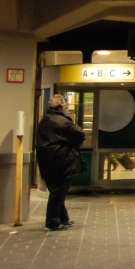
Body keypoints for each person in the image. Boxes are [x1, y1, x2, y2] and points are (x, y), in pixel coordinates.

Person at [36, 94, 86, 231]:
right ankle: (52, 222)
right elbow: (80, 134)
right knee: (58, 193)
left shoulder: (44, 120)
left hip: (46, 161)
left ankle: (63, 219)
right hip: (62, 161)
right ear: (61, 106)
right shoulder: (63, 122)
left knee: (56, 191)